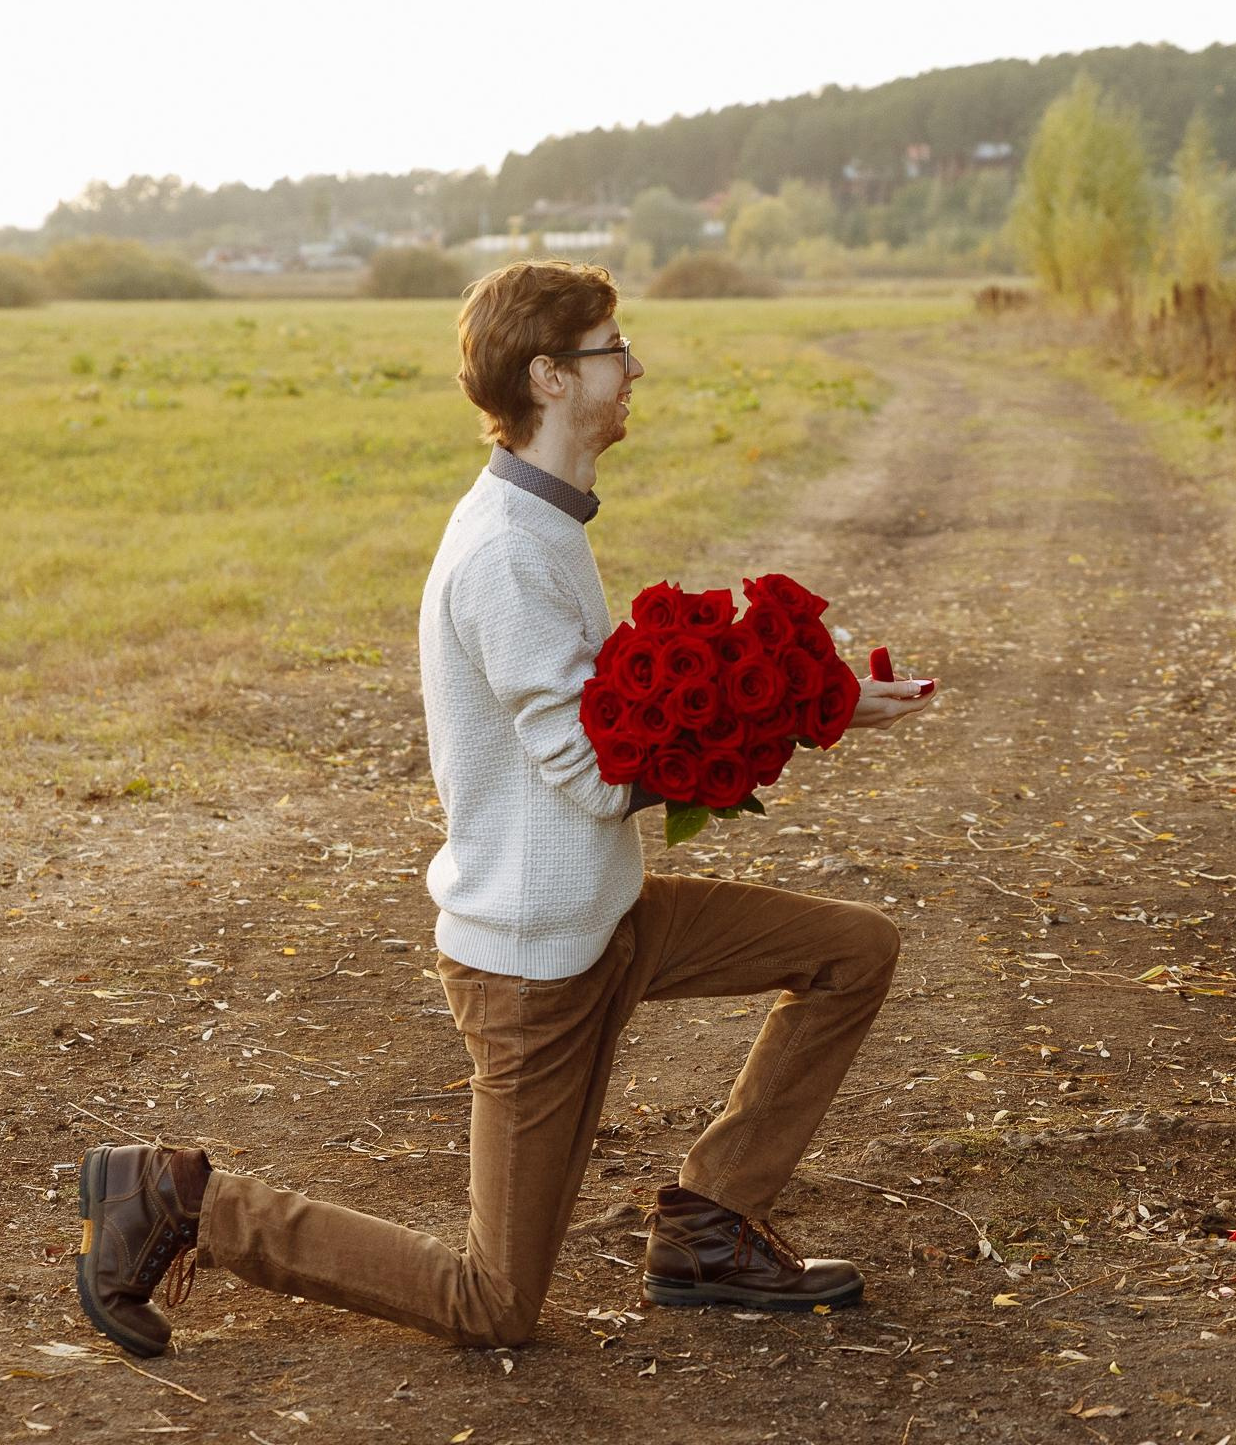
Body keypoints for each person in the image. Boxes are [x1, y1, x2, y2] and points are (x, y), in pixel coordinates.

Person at [73, 260, 936, 1354]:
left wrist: (826, 696)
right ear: (550, 376)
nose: (633, 370)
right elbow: (589, 772)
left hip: (609, 920)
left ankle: (712, 1224)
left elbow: (600, 730)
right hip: (534, 968)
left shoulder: (546, 524)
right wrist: (768, 726)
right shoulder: (504, 555)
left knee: (852, 951)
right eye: (613, 352)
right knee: (493, 1302)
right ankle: (181, 1201)